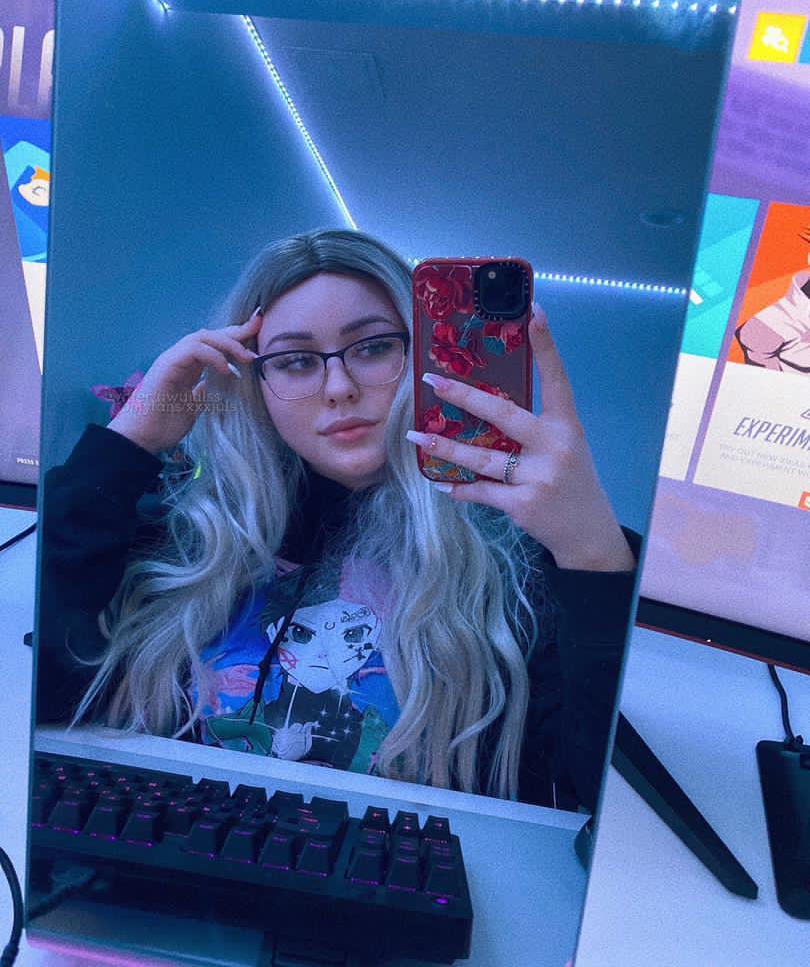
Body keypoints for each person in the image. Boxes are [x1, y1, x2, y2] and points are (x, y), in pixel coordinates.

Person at [38, 229, 638, 812]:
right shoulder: (188, 536)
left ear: (425, 354)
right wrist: (130, 442)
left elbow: (599, 806)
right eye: (296, 361)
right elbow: (39, 698)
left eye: (373, 348)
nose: (339, 387)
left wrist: (594, 557)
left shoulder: (523, 563)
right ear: (254, 382)